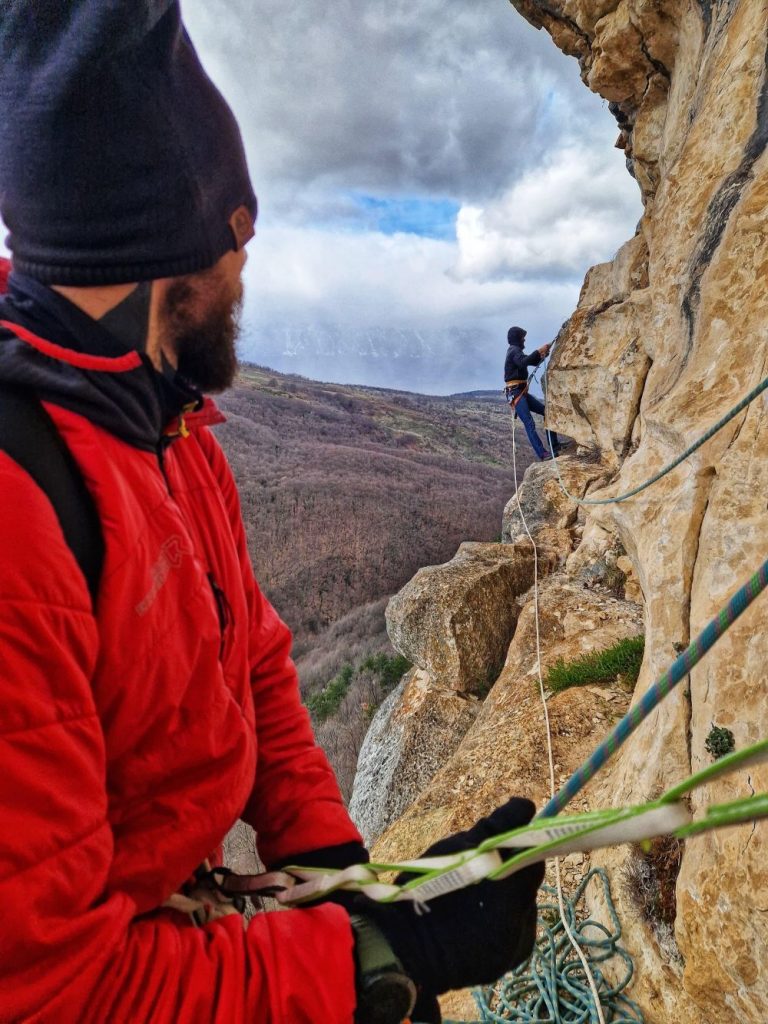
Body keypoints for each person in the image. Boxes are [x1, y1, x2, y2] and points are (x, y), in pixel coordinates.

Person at [0, 4, 543, 1023]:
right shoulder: (19, 519)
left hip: (171, 917)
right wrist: (378, 953)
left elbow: (248, 656)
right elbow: (50, 993)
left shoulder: (165, 421)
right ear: (162, 251)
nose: (246, 267)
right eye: (234, 237)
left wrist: (343, 871)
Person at [504, 326, 560, 460]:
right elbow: (523, 362)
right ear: (518, 338)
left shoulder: (514, 351)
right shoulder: (514, 351)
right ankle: (543, 454)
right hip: (516, 393)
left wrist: (541, 355)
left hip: (519, 392)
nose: (524, 340)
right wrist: (539, 351)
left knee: (546, 412)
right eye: (522, 337)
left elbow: (526, 362)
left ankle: (554, 446)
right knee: (529, 423)